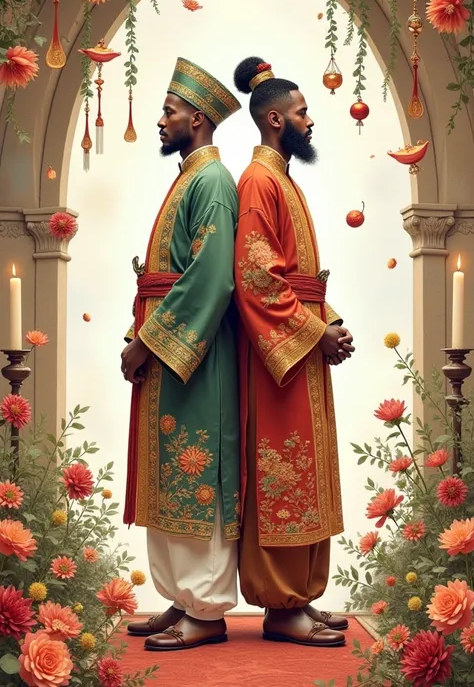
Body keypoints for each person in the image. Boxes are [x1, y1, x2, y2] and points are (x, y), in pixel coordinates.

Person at [233, 56, 355, 647]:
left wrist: (329, 321)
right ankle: (281, 606)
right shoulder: (258, 182)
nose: (311, 120)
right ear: (276, 118)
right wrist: (314, 331)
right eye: (304, 111)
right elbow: (256, 277)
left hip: (301, 347)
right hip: (275, 363)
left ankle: (301, 597)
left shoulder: (282, 179)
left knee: (307, 473)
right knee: (281, 473)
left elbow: (299, 278)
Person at [121, 57, 242, 651]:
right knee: (169, 475)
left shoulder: (213, 183)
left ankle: (208, 610)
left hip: (197, 358)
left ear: (197, 118)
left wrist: (148, 343)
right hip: (169, 356)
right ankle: (182, 598)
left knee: (197, 476)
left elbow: (212, 278)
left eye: (169, 111)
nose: (161, 120)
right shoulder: (190, 177)